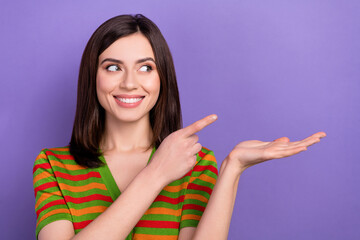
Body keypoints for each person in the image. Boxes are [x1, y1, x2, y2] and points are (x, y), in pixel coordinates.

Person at [33, 14, 326, 240]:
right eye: (113, 67)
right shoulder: (52, 165)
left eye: (146, 67)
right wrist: (157, 173)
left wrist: (232, 169)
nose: (130, 82)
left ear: (163, 79)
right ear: (92, 77)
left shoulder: (196, 164)